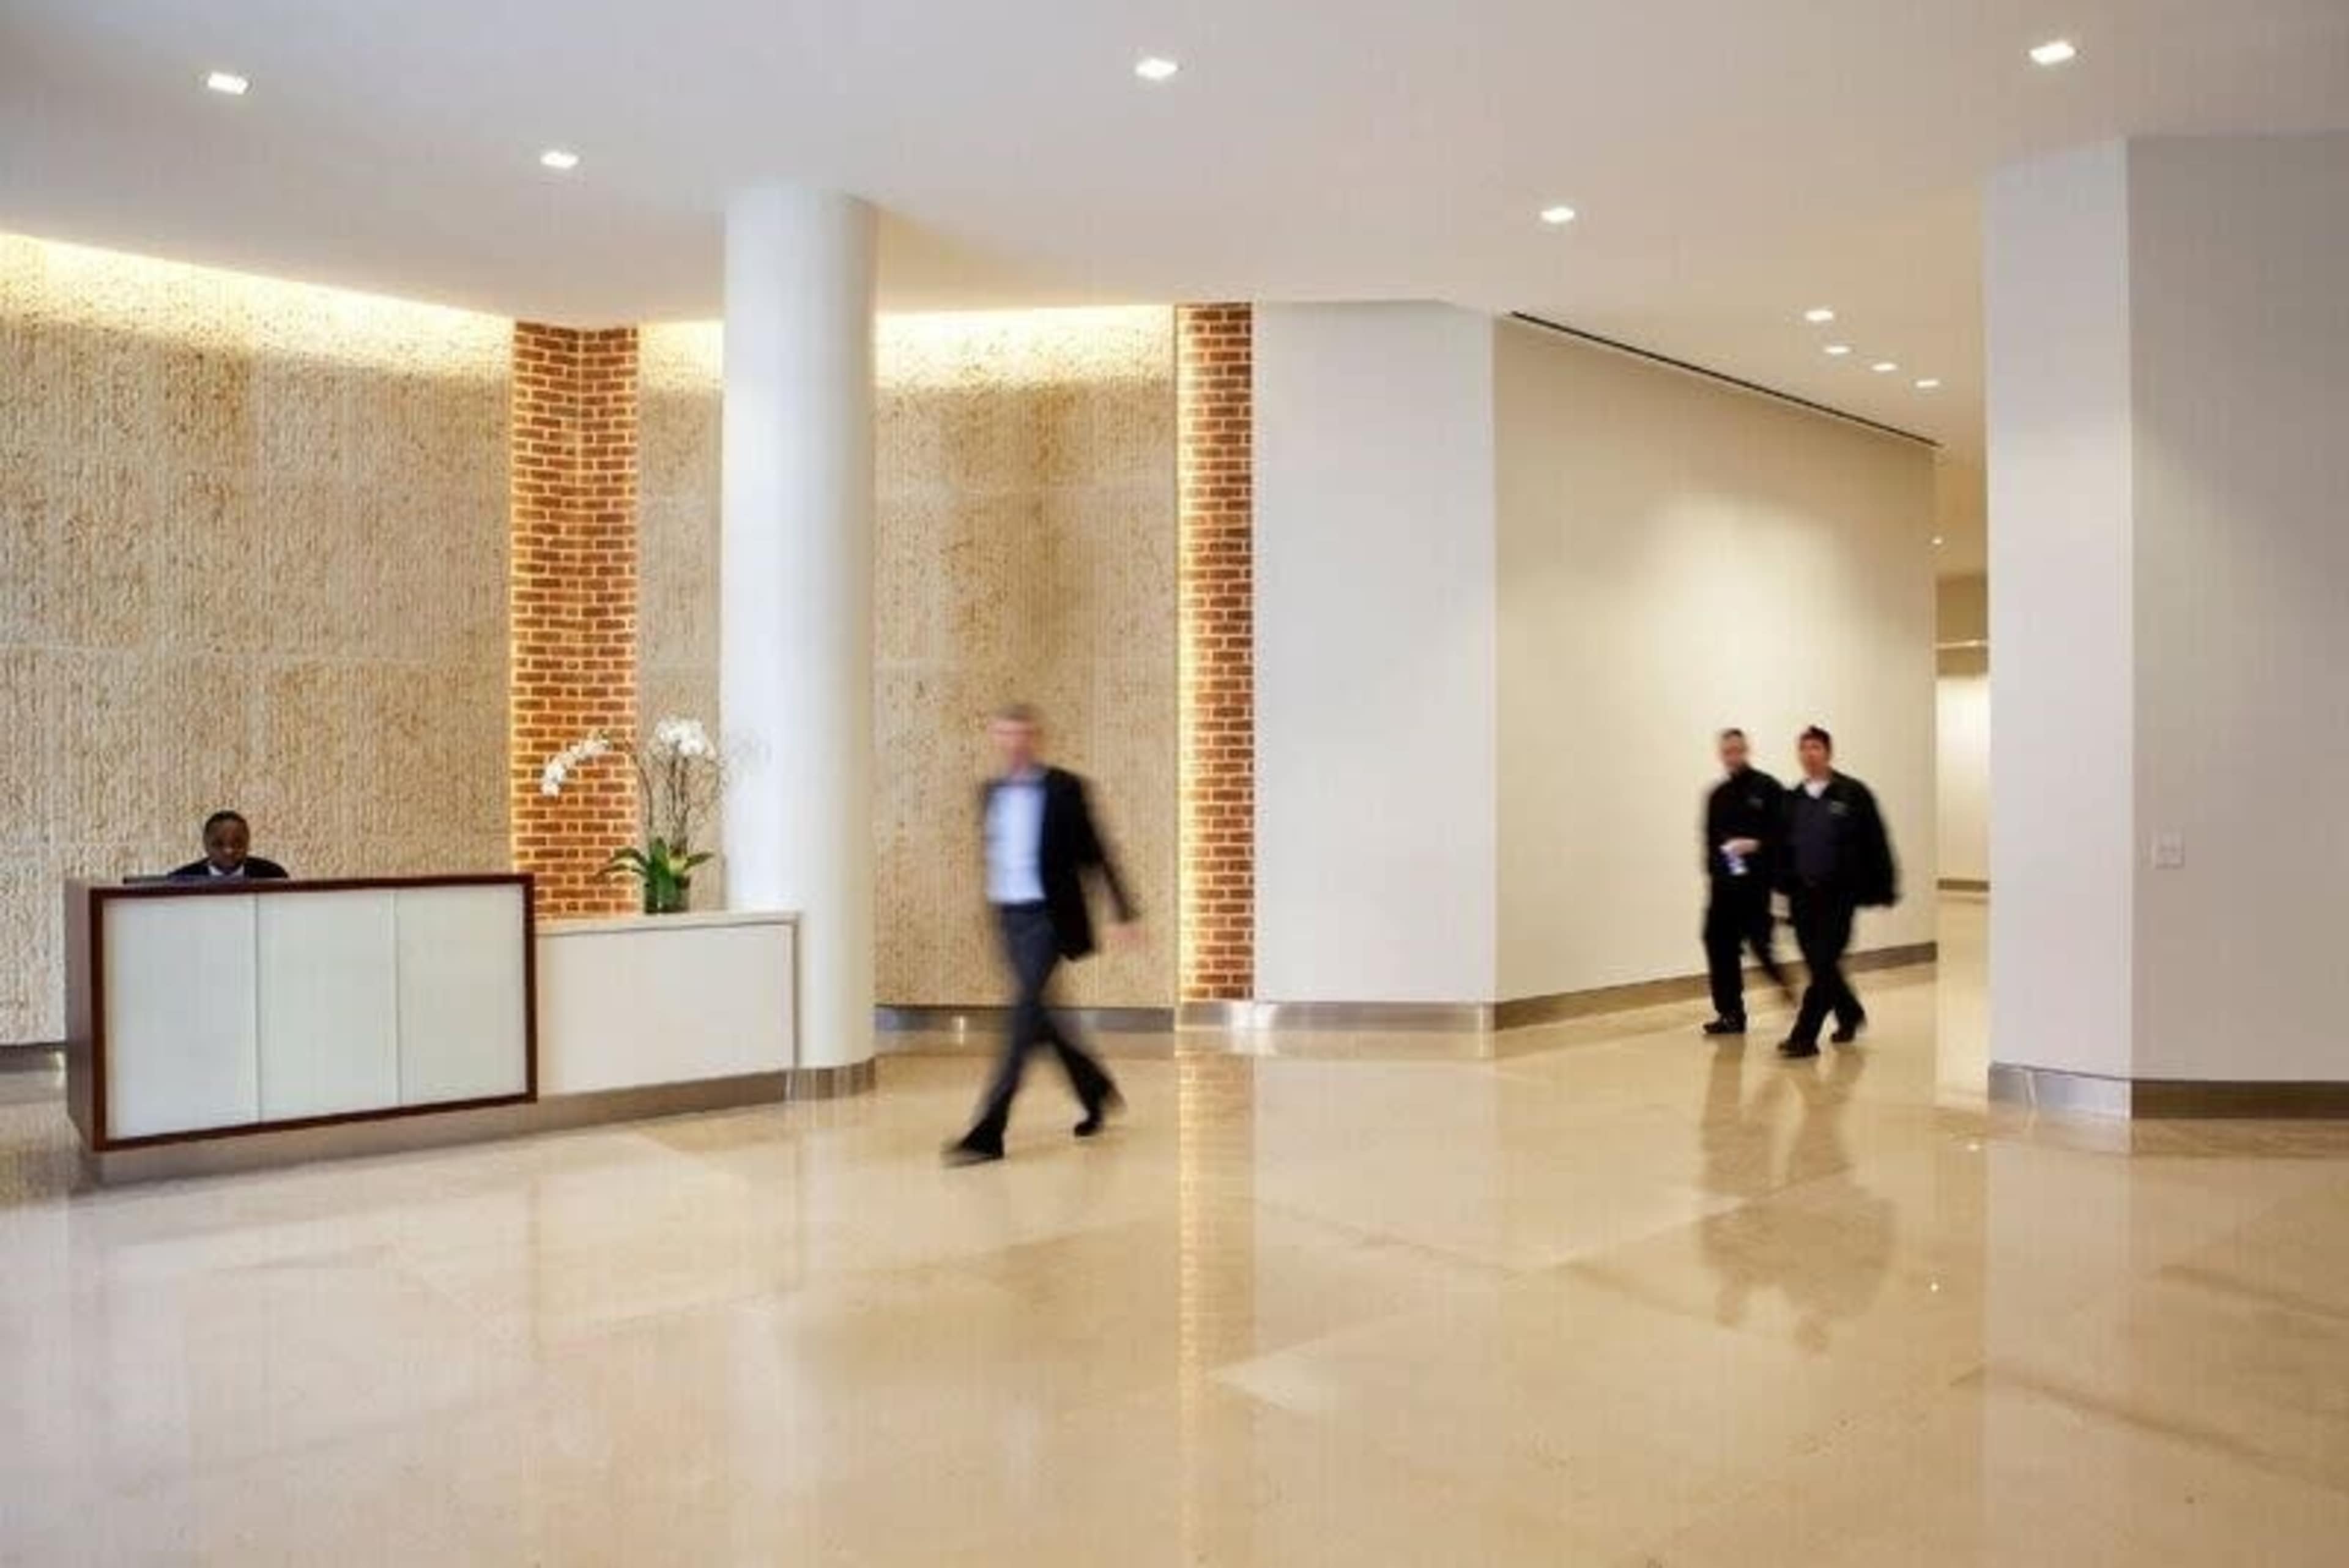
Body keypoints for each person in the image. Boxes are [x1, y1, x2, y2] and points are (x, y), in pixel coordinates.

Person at [946, 703, 1138, 1166]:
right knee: (1038, 1017)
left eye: (1023, 734)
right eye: (1005, 734)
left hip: (1049, 919)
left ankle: (990, 1129)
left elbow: (1097, 853)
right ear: (997, 738)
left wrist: (1124, 912)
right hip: (1009, 920)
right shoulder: (988, 793)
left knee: (1021, 1018)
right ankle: (1095, 1089)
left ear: (1037, 737)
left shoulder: (1065, 789)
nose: (1015, 743)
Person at [1773, 727, 1896, 1059]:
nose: (1809, 754)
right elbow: (1783, 849)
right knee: (1820, 966)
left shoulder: (1852, 794)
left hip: (1839, 896)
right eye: (1804, 748)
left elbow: (1876, 841)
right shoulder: (1793, 799)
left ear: (1828, 752)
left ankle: (1804, 1036)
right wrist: (1781, 892)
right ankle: (1850, 1012)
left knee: (1825, 963)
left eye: (1815, 747)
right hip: (1803, 897)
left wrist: (1884, 886)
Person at [1699, 728, 1792, 1036]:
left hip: (1756, 889)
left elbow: (1785, 835)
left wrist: (1756, 846)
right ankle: (1730, 1013)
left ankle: (1787, 988)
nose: (1733, 756)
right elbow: (1710, 843)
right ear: (1721, 755)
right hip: (1724, 890)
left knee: (1760, 947)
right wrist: (1717, 870)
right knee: (1717, 944)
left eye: (1738, 750)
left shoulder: (1768, 789)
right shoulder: (1717, 796)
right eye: (1727, 752)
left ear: (1747, 750)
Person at [169, 810, 291, 881]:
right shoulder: (181, 880)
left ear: (248, 842)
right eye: (219, 844)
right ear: (205, 845)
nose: (229, 851)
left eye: (238, 843)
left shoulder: (273, 876)